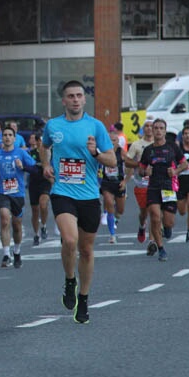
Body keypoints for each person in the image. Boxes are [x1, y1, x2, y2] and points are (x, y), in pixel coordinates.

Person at [42, 81, 116, 324]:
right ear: (63, 101)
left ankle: (83, 297)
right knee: (70, 240)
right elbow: (44, 146)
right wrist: (45, 164)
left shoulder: (95, 126)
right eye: (70, 96)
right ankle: (69, 280)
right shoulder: (53, 125)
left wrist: (95, 153)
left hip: (89, 195)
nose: (75, 99)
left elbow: (112, 161)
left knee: (86, 249)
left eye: (79, 96)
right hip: (63, 191)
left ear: (85, 100)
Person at [138, 119, 189, 262]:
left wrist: (176, 171)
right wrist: (144, 172)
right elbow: (140, 169)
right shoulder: (148, 150)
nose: (158, 131)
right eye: (156, 128)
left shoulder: (172, 147)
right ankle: (161, 249)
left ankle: (167, 229)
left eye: (161, 128)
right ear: (152, 131)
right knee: (154, 217)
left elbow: (184, 164)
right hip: (153, 187)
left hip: (168, 187)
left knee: (168, 221)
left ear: (165, 131)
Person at [0, 127, 36, 268]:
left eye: (10, 135)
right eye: (5, 135)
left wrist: (23, 167)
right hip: (2, 191)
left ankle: (16, 251)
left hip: (17, 193)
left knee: (17, 225)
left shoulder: (21, 153)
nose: (7, 137)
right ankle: (6, 254)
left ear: (14, 138)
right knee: (5, 219)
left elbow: (34, 169)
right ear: (2, 138)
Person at [125, 120, 154, 245]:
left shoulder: (161, 144)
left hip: (157, 183)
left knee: (154, 212)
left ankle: (152, 241)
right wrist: (140, 165)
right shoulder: (137, 145)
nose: (149, 128)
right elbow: (127, 161)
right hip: (141, 183)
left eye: (151, 126)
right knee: (144, 212)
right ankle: (142, 226)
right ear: (143, 129)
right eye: (146, 126)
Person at [99, 128, 127, 245]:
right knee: (109, 204)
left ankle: (116, 219)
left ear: (118, 141)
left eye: (114, 140)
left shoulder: (121, 152)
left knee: (120, 209)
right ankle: (112, 234)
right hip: (107, 183)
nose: (112, 142)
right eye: (110, 140)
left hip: (119, 183)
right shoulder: (103, 152)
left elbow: (130, 167)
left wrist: (125, 181)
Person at [26, 132, 52, 246]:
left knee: (43, 204)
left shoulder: (50, 152)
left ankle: (44, 225)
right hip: (33, 183)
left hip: (45, 182)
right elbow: (27, 166)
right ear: (36, 142)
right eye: (39, 141)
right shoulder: (30, 153)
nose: (41, 143)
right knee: (35, 210)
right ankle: (36, 234)